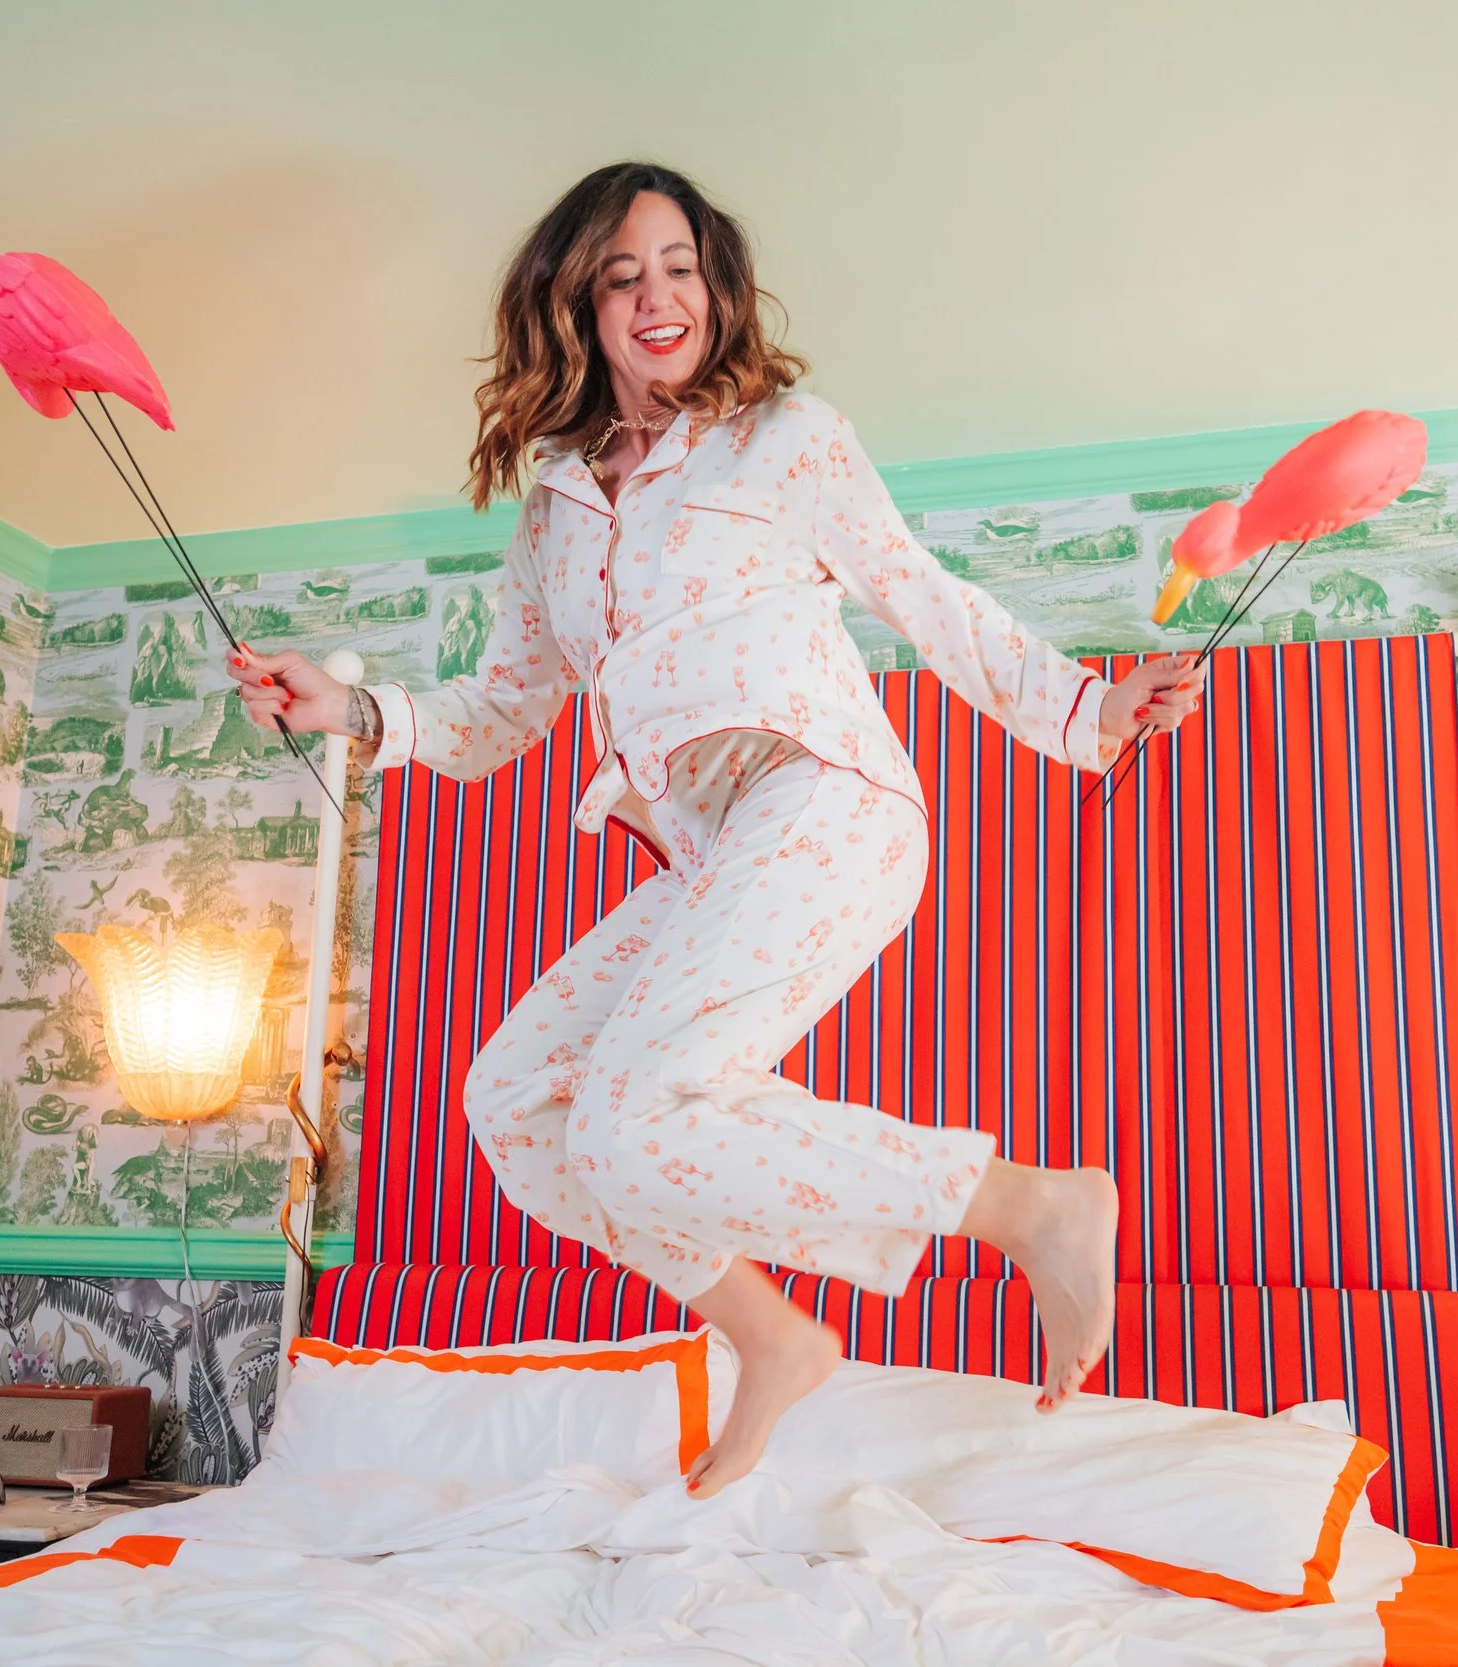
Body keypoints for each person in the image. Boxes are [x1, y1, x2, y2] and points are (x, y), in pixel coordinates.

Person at [235, 162, 1206, 1496]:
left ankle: (1027, 1204)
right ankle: (771, 1333)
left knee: (633, 1111)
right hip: (712, 851)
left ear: (718, 285)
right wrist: (348, 708)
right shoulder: (554, 511)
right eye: (622, 274)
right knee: (518, 1101)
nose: (658, 296)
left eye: (680, 266)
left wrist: (1091, 712)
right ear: (577, 306)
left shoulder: (784, 438)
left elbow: (923, 595)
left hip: (827, 800)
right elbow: (504, 709)